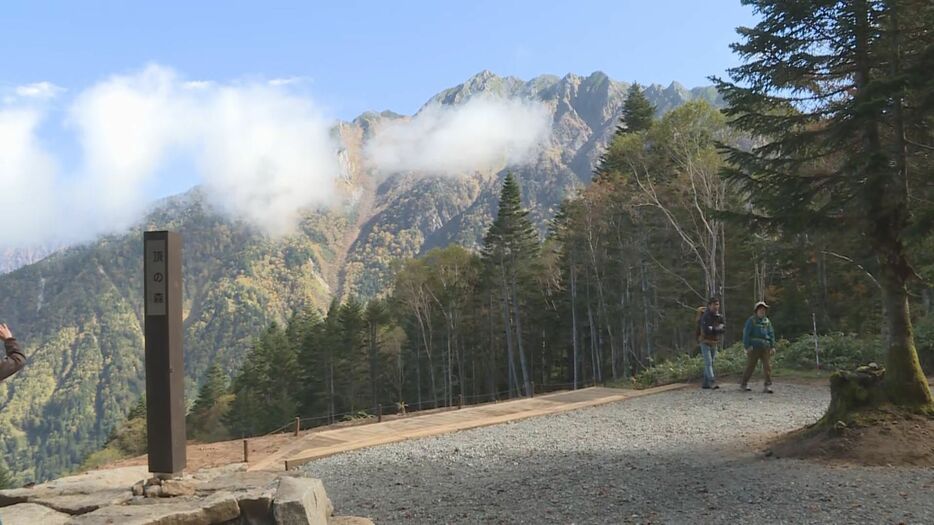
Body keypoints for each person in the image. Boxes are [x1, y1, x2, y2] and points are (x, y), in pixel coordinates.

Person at [741, 302, 776, 393]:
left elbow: (771, 334)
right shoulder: (751, 320)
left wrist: (772, 346)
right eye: (760, 309)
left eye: (764, 309)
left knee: (767, 366)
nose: (762, 311)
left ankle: (767, 385)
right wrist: (747, 346)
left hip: (766, 347)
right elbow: (746, 334)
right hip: (754, 347)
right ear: (756, 310)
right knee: (751, 366)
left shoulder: (767, 321)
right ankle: (744, 383)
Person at [698, 297, 725, 389]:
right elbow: (707, 330)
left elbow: (723, 329)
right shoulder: (705, 316)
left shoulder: (719, 316)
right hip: (705, 341)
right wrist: (716, 329)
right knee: (708, 362)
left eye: (717, 304)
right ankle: (712, 381)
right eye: (714, 305)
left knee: (711, 363)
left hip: (714, 342)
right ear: (709, 306)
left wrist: (714, 329)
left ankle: (705, 384)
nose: (716, 307)